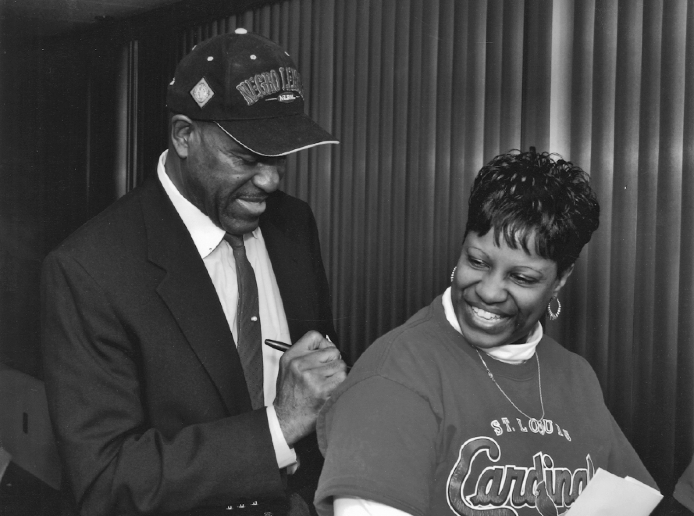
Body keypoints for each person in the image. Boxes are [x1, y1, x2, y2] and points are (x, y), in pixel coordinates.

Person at [41, 29, 347, 516]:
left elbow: (321, 372)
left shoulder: (293, 224)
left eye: (279, 158)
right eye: (246, 158)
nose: (270, 180)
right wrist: (277, 427)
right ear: (184, 136)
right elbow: (106, 481)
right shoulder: (90, 270)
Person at [314, 150, 658, 516]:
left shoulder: (577, 377)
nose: (490, 292)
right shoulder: (395, 376)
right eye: (477, 262)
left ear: (561, 278)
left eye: (522, 277)